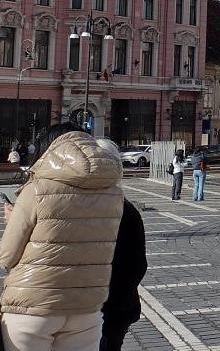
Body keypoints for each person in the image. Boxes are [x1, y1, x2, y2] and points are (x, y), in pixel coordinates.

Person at [0, 123, 124, 351]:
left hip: (33, 304)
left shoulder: (37, 188)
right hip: (87, 306)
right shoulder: (115, 193)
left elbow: (7, 255)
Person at [95, 137, 148, 351]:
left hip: (91, 307)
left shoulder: (76, 207)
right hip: (118, 308)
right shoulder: (126, 208)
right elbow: (138, 265)